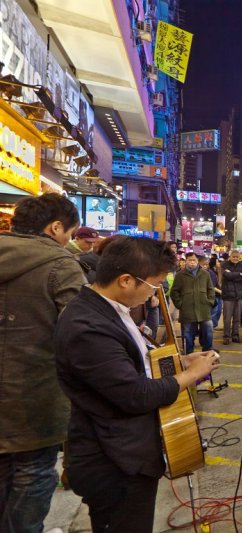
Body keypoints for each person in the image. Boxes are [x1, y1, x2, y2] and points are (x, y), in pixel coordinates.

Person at [54, 237, 219, 532]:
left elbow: (135, 364)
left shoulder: (112, 310)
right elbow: (135, 394)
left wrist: (182, 362)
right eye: (153, 284)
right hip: (113, 461)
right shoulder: (87, 327)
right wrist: (193, 375)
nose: (155, 293)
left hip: (127, 452)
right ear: (126, 280)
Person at [0, 194, 85, 532]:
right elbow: (79, 336)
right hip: (35, 397)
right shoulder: (61, 265)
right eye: (69, 233)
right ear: (55, 227)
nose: (69, 241)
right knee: (33, 474)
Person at [170, 252, 216, 355]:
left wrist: (210, 301)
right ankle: (189, 356)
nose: (192, 262)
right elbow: (174, 292)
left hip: (204, 310)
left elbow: (211, 289)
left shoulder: (205, 274)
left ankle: (207, 355)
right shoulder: (180, 275)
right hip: (187, 311)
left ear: (197, 261)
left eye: (193, 260)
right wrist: (180, 304)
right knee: (187, 336)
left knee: (208, 334)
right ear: (186, 261)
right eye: (189, 260)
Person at [221, 250, 242, 345]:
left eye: (237, 257)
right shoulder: (224, 265)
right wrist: (238, 274)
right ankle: (226, 336)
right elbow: (226, 275)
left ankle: (235, 336)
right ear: (230, 256)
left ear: (239, 257)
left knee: (237, 318)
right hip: (228, 296)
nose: (235, 258)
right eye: (234, 257)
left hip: (239, 295)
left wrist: (232, 275)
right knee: (227, 318)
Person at [205, 256, 223, 329]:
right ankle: (211, 326)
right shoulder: (211, 272)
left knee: (217, 311)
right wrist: (220, 291)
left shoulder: (216, 271)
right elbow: (212, 285)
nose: (219, 263)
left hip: (218, 295)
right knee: (215, 312)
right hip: (214, 295)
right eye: (218, 262)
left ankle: (212, 325)